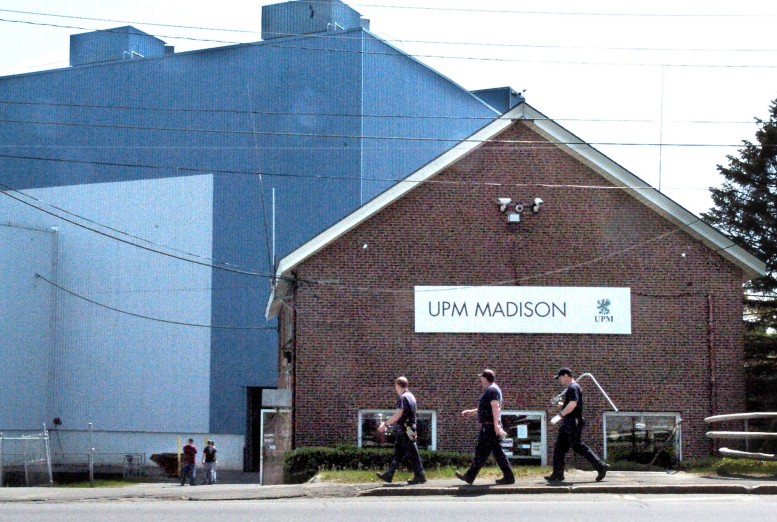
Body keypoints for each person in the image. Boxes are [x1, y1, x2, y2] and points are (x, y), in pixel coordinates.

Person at [545, 368, 609, 483]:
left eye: (560, 377)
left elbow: (573, 404)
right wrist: (559, 403)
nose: (559, 380)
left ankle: (601, 466)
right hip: (568, 422)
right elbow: (570, 404)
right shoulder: (571, 388)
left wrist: (559, 415)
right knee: (559, 448)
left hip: (573, 422)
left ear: (565, 375)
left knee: (578, 446)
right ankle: (557, 473)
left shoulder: (573, 387)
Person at [455, 369, 515, 485]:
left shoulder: (491, 390)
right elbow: (486, 408)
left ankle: (469, 476)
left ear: (485, 378)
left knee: (482, 451)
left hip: (490, 427)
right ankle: (509, 476)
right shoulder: (492, 389)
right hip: (490, 426)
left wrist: (496, 425)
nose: (480, 380)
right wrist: (471, 412)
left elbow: (495, 406)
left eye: (481, 377)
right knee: (497, 453)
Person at [375, 376, 427, 485]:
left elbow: (398, 414)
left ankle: (420, 475)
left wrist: (385, 424)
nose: (395, 388)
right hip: (410, 427)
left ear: (398, 385)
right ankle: (389, 474)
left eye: (395, 386)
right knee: (399, 451)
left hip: (405, 428)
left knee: (412, 451)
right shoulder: (411, 396)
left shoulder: (402, 397)